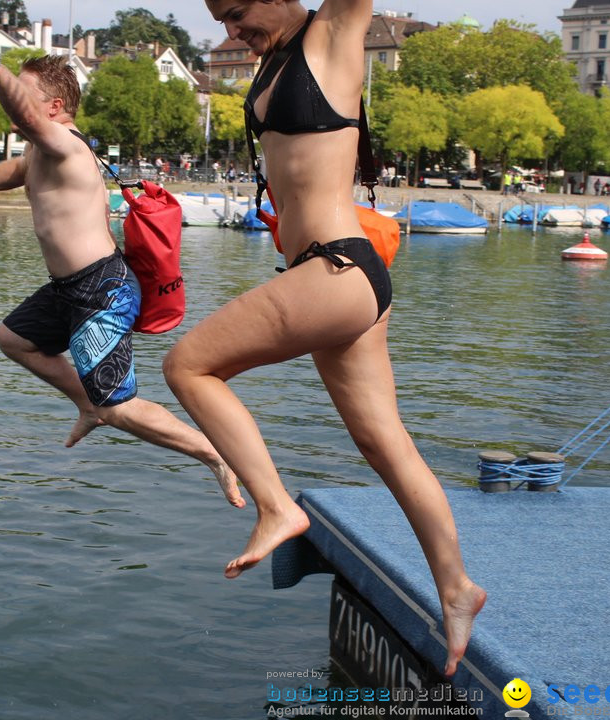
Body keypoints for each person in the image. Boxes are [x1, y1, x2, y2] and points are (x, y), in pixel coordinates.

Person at [164, 0, 485, 677]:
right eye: (220, 18)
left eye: (237, 11)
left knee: (189, 366)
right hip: (334, 278)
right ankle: (457, 590)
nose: (231, 30)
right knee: (383, 443)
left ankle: (277, 508)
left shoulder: (333, 33)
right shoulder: (276, 53)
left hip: (336, 268)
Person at [0, 4, 241, 505]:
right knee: (14, 339)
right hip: (69, 288)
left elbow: (21, 114)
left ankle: (217, 454)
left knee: (120, 408)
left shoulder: (65, 145)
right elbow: (15, 171)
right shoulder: (40, 153)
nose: (14, 103)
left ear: (56, 107)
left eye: (27, 92)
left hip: (102, 290)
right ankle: (87, 402)